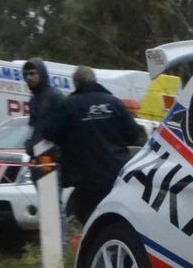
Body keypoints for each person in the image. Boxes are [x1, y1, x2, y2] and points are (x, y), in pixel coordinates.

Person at [38, 66, 145, 230]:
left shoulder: (69, 106)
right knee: (116, 221)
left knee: (90, 224)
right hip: (115, 174)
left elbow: (49, 132)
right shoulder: (113, 102)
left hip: (85, 178)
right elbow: (134, 133)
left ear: (76, 84)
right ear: (94, 81)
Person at [21, 58, 65, 148]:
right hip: (39, 151)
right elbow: (33, 127)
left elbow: (64, 126)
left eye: (32, 73)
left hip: (54, 151)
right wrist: (30, 143)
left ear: (41, 74)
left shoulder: (55, 96)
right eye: (26, 74)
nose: (28, 77)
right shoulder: (33, 100)